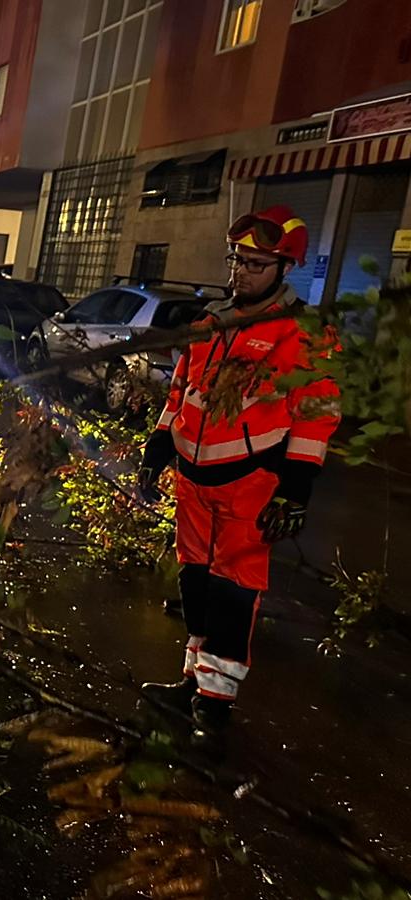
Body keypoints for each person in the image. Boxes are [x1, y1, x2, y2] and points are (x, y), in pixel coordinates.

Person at [137, 205, 340, 748]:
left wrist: (296, 489)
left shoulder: (303, 335)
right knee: (195, 586)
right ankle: (193, 683)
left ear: (283, 267)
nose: (240, 273)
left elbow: (316, 415)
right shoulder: (211, 323)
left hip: (252, 481)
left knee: (233, 590)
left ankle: (217, 703)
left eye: (254, 264)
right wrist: (158, 445)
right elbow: (180, 393)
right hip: (193, 479)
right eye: (237, 261)